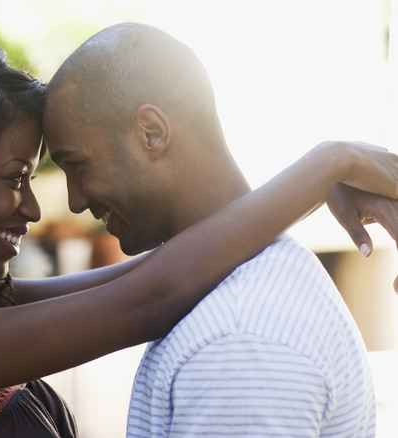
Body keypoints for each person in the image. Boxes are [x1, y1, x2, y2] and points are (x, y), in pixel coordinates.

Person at [0, 37, 398, 438]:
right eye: (16, 178)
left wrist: (306, 190)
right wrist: (329, 163)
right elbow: (151, 297)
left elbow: (152, 273)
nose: (36, 206)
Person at [42, 23, 392, 437]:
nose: (75, 201)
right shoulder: (234, 298)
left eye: (78, 167)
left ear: (151, 133)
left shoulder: (238, 339)